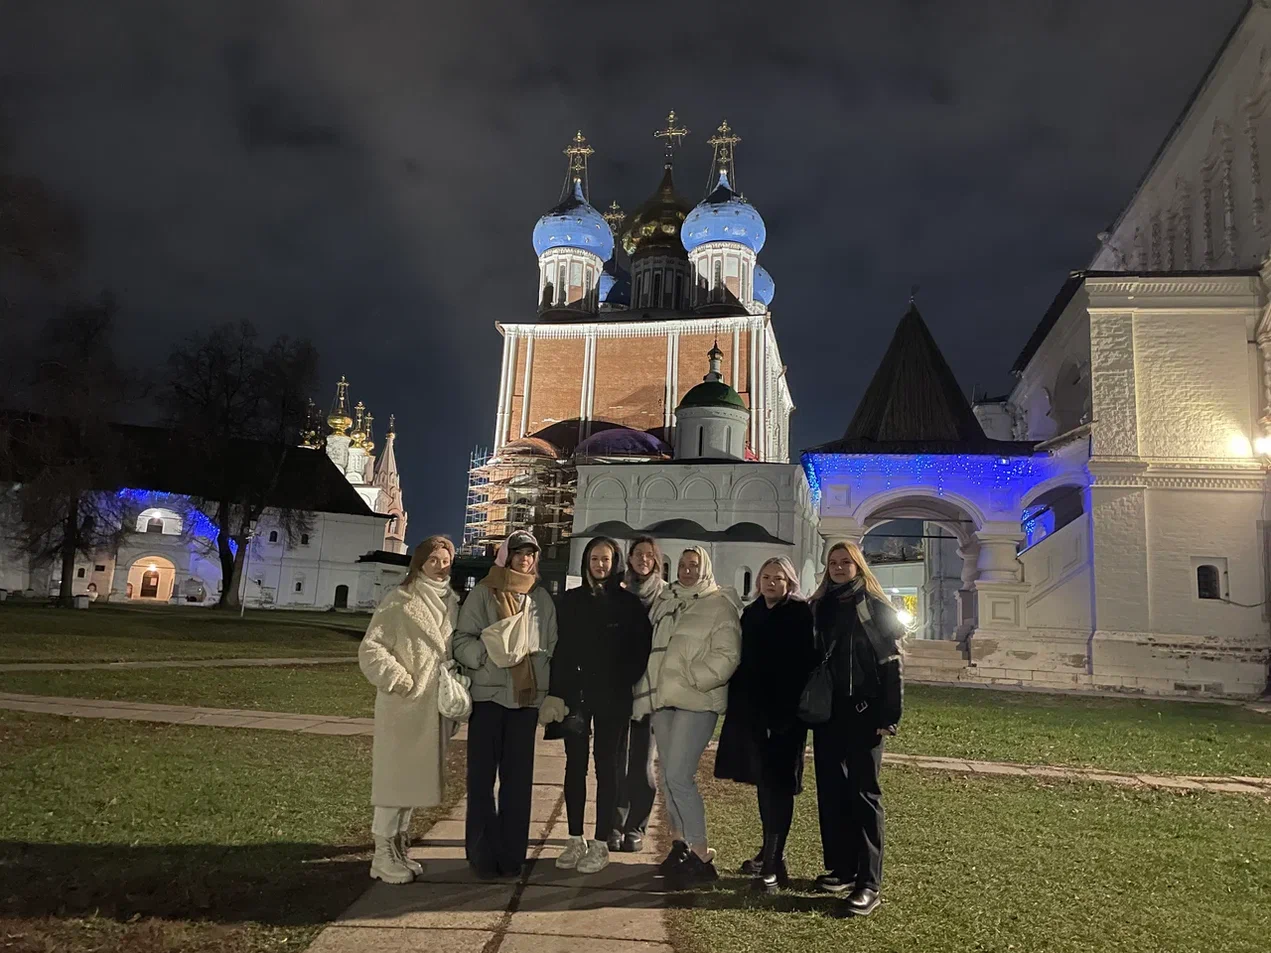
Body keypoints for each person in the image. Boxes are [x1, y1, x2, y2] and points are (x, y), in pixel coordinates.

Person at [452, 529, 558, 879]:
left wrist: (542, 691)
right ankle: (482, 853)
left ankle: (512, 854)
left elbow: (549, 648)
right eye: (518, 553)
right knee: (481, 780)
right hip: (488, 697)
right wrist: (486, 656)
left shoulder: (540, 598)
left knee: (518, 782)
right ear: (506, 556)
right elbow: (462, 640)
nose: (524, 559)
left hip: (524, 702)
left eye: (530, 554)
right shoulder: (485, 592)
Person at [634, 546, 741, 887]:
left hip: (696, 700)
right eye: (682, 564)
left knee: (680, 775)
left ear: (705, 568)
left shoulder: (718, 603)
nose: (687, 570)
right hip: (664, 699)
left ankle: (701, 853)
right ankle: (680, 844)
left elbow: (728, 653)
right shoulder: (668, 600)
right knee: (668, 776)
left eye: (694, 565)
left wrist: (694, 678)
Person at [546, 537, 653, 874]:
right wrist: (558, 691)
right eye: (594, 558)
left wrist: (620, 680)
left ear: (615, 562)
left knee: (607, 767)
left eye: (606, 559)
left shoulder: (628, 604)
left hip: (612, 696)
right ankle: (575, 838)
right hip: (576, 695)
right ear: (586, 562)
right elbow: (560, 648)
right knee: (574, 766)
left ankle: (601, 842)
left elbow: (640, 651)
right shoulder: (570, 600)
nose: (600, 565)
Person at [358, 535, 461, 884]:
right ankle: (381, 854)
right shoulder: (400, 601)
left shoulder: (451, 602)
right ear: (420, 563)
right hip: (403, 706)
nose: (440, 566)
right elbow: (371, 649)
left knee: (413, 783)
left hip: (433, 707)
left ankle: (398, 846)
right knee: (394, 783)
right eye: (434, 560)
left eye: (446, 560)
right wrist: (401, 681)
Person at [808, 541, 904, 916]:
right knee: (832, 792)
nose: (838, 567)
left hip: (864, 712)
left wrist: (888, 716)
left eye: (845, 562)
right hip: (829, 713)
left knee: (864, 794)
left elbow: (892, 660)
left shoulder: (873, 606)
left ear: (858, 566)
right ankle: (842, 868)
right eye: (832, 562)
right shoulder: (820, 606)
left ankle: (869, 883)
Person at [714, 555, 816, 893]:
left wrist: (783, 715)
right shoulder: (753, 613)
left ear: (790, 583)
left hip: (784, 718)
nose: (771, 583)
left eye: (778, 578)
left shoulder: (799, 614)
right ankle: (771, 855)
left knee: (780, 787)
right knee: (764, 785)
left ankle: (772, 865)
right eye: (766, 577)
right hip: (753, 715)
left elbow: (800, 667)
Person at [611, 535, 666, 853]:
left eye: (649, 554)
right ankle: (615, 823)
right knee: (616, 759)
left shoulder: (665, 596)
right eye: (638, 554)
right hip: (619, 686)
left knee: (642, 761)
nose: (643, 559)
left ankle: (636, 825)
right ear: (629, 558)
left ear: (656, 560)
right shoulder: (619, 593)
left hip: (649, 687)